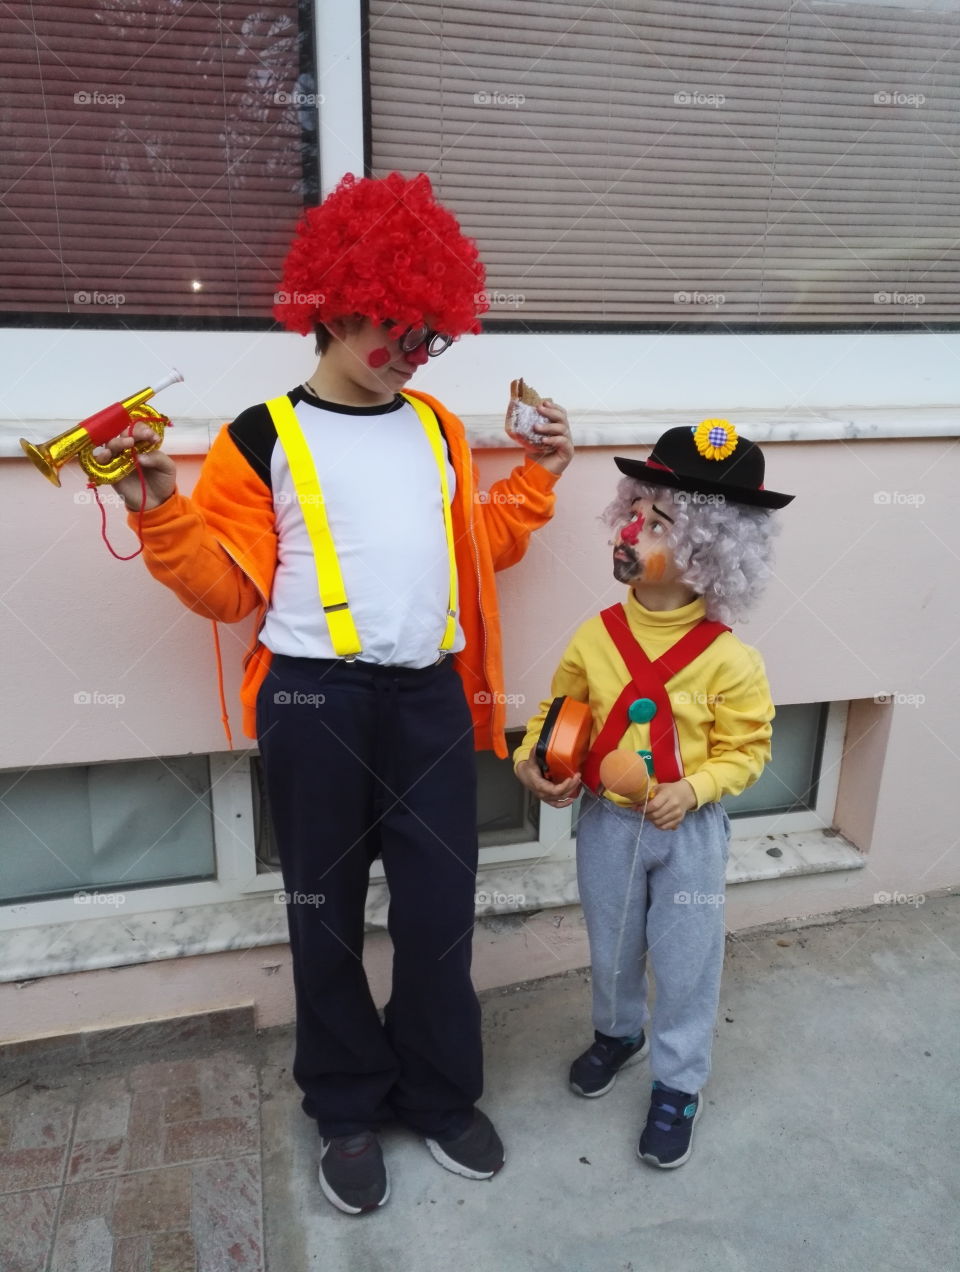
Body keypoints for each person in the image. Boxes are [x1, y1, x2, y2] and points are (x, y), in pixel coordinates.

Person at [96, 172, 574, 1213]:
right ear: (336, 302)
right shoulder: (260, 436)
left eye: (429, 335)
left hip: (430, 705)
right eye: (394, 329)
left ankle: (441, 1094)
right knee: (323, 914)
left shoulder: (440, 429)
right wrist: (159, 516)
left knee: (441, 913)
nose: (410, 350)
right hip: (317, 705)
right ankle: (348, 1104)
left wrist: (538, 481)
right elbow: (230, 593)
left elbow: (471, 553)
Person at [513, 420, 793, 1169]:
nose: (632, 530)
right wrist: (532, 760)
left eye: (659, 522)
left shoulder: (733, 663)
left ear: (708, 552)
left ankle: (679, 1081)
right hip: (607, 823)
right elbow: (555, 714)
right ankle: (618, 1032)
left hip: (689, 834)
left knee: (687, 956)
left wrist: (695, 787)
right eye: (634, 510)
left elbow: (747, 751)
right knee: (611, 941)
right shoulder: (594, 636)